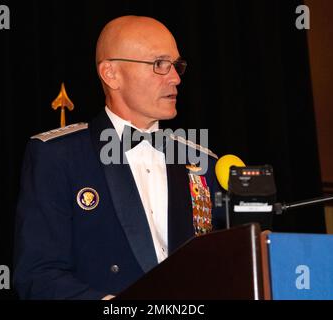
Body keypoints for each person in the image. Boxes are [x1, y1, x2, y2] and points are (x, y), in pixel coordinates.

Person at [13, 15, 225, 300]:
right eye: (159, 64)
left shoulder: (201, 161)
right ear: (111, 74)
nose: (175, 78)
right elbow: (38, 275)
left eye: (176, 66)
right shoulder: (58, 156)